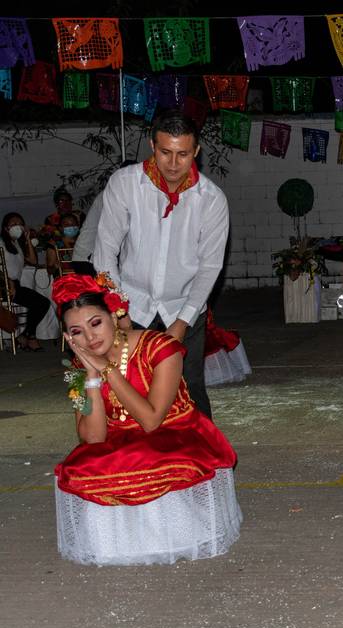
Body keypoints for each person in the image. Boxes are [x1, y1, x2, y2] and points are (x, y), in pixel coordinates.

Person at [51, 273, 241, 565]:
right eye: (76, 332)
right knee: (85, 464)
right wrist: (90, 376)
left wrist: (108, 371)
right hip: (119, 437)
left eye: (96, 323)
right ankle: (119, 542)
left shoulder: (161, 348)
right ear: (67, 338)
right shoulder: (78, 368)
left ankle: (172, 534)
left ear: (114, 316)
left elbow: (151, 421)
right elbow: (93, 438)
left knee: (146, 455)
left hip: (172, 430)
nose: (89, 338)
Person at [93, 109, 229, 418]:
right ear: (153, 146)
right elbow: (105, 253)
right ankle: (139, 463)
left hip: (184, 307)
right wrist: (120, 311)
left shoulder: (211, 199)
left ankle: (206, 462)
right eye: (165, 152)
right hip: (131, 305)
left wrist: (182, 323)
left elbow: (210, 267)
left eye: (183, 154)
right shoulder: (125, 184)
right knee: (128, 391)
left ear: (196, 151)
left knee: (190, 388)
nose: (173, 164)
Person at [1, 212, 49, 351]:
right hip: (3, 285)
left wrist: (27, 239)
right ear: (5, 228)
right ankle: (30, 337)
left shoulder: (16, 244)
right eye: (13, 224)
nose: (17, 226)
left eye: (20, 224)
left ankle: (26, 335)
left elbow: (33, 261)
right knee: (39, 303)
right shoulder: (1, 242)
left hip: (14, 285)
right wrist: (7, 281)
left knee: (42, 302)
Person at [45, 211, 81, 276]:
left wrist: (66, 243)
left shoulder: (83, 242)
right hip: (64, 282)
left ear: (78, 226)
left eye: (73, 224)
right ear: (60, 228)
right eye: (67, 225)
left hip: (83, 280)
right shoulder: (54, 244)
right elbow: (49, 271)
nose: (71, 227)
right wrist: (55, 266)